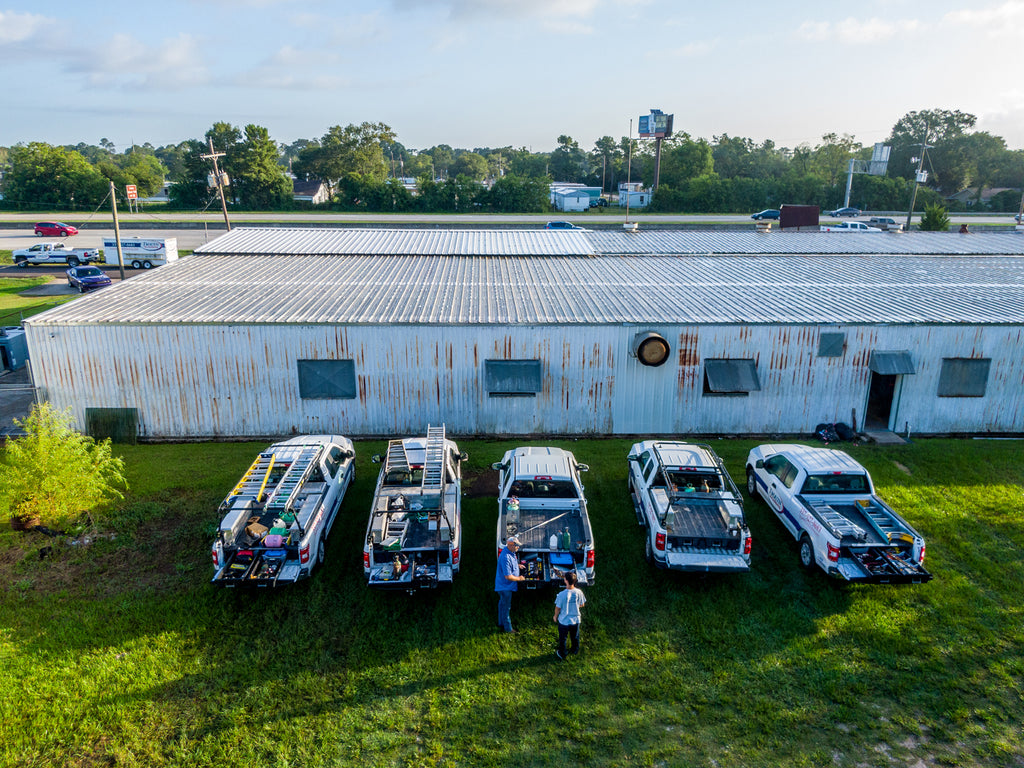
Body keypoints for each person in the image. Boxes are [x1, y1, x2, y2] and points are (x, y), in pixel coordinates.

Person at [553, 570, 586, 660]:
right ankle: (575, 650)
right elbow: (582, 604)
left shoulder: (561, 595)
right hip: (576, 619)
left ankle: (562, 653)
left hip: (564, 620)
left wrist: (555, 616)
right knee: (575, 636)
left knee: (563, 638)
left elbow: (558, 608)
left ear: (566, 581)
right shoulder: (579, 592)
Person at [495, 535, 525, 633]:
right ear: (511, 545)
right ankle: (508, 629)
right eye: (517, 546)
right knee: (506, 607)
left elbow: (511, 564)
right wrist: (519, 579)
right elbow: (508, 576)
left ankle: (500, 622)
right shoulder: (505, 557)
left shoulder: (510, 552)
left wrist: (517, 565)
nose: (518, 547)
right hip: (505, 587)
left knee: (502, 604)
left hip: (505, 586)